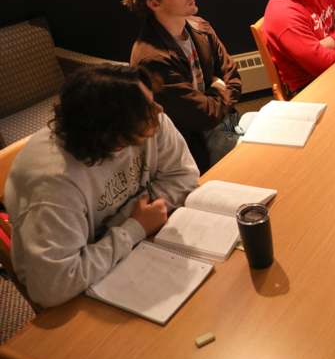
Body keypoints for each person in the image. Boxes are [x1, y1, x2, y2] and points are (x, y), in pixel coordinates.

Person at [4, 65, 199, 308]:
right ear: (109, 134)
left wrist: (133, 222)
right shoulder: (52, 181)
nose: (158, 111)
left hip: (126, 254)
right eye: (147, 109)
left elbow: (184, 175)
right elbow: (53, 286)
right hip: (79, 295)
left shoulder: (148, 121)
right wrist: (135, 227)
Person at [123, 0, 242, 173]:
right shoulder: (152, 59)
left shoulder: (200, 27)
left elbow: (233, 76)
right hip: (193, 148)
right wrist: (218, 87)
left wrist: (218, 94)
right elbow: (203, 116)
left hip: (225, 123)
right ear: (154, 3)